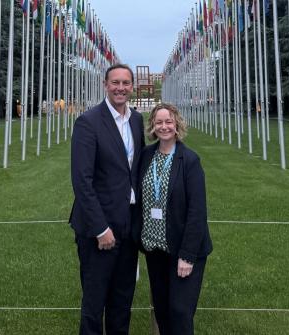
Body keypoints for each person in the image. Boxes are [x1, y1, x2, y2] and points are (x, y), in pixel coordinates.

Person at [70, 64, 145, 335]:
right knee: (94, 303)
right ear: (105, 85)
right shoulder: (88, 122)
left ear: (132, 87)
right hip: (98, 230)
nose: (120, 88)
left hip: (128, 228)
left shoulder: (136, 120)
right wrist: (101, 229)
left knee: (122, 302)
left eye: (126, 83)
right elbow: (82, 181)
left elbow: (135, 172)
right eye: (115, 83)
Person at [133, 103, 212, 335]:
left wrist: (187, 256)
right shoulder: (146, 155)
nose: (164, 126)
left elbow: (197, 212)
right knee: (163, 311)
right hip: (155, 249)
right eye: (159, 122)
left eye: (169, 121)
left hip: (183, 251)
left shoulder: (189, 160)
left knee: (180, 312)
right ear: (153, 126)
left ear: (177, 124)